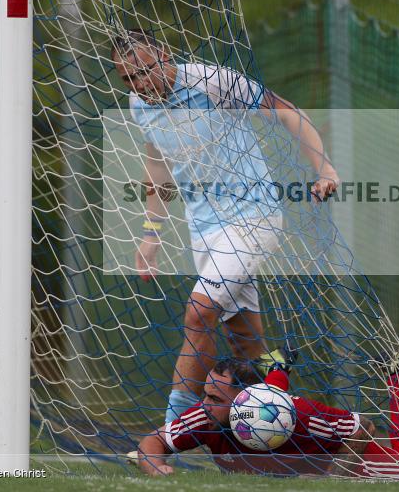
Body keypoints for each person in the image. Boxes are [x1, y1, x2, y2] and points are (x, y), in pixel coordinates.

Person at [112, 30, 341, 424]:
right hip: (204, 232)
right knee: (247, 348)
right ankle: (313, 426)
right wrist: (151, 234)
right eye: (129, 79)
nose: (140, 84)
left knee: (198, 315)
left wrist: (324, 168)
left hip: (255, 217)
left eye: (145, 71)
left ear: (165, 55)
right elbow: (158, 166)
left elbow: (287, 111)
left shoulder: (211, 81)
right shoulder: (138, 105)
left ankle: (171, 432)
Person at [134, 354, 399, 478]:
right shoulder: (207, 416)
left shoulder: (301, 414)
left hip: (345, 457)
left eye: (213, 398)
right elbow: (152, 442)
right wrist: (158, 469)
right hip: (263, 402)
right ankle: (276, 363)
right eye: (205, 394)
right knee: (265, 407)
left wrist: (333, 477)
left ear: (241, 398)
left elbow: (363, 427)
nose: (203, 404)